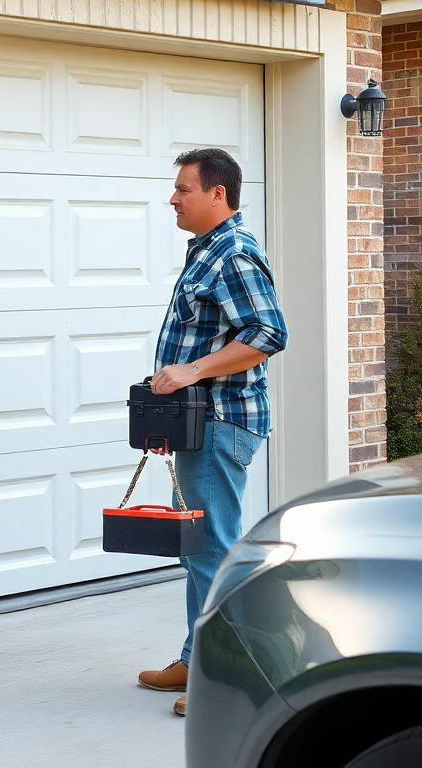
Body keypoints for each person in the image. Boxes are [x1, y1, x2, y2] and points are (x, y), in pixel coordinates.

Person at [137, 148, 287, 717]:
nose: (173, 199)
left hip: (222, 424)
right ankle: (195, 656)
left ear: (217, 194)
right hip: (199, 426)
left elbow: (269, 333)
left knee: (214, 553)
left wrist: (191, 371)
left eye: (183, 189)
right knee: (197, 550)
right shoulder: (207, 252)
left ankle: (227, 680)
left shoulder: (234, 254)